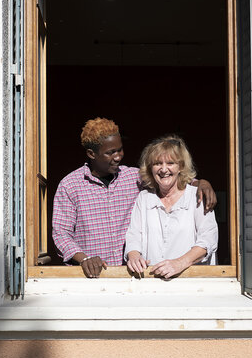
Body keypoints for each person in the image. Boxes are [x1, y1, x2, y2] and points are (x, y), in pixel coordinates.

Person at [52, 118, 216, 278]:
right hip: (92, 275)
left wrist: (202, 182)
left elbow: (169, 178)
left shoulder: (132, 177)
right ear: (91, 154)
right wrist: (84, 258)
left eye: (120, 150)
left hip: (128, 275)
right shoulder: (70, 186)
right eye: (110, 153)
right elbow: (61, 233)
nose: (118, 156)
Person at [125, 135, 218, 278]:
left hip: (192, 281)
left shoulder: (196, 196)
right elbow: (134, 235)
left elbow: (208, 240)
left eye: (170, 163)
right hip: (152, 281)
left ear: (180, 166)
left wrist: (179, 263)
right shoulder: (144, 198)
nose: (163, 169)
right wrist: (134, 255)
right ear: (150, 168)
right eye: (157, 163)